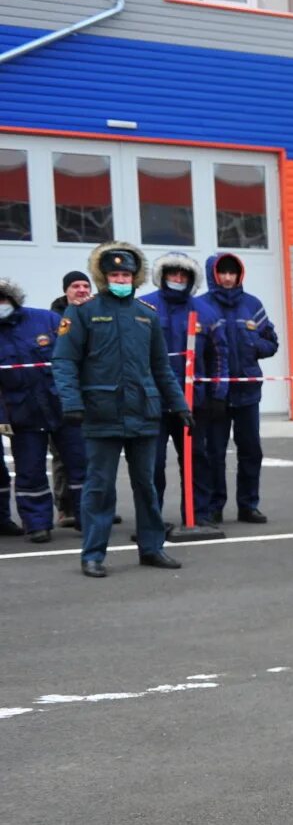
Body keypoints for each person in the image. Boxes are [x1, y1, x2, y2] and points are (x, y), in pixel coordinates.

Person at [51, 243, 190, 577]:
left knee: (147, 484)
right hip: (100, 413)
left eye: (125, 274)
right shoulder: (82, 313)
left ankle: (152, 547)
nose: (120, 279)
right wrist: (71, 402)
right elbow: (64, 361)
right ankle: (93, 554)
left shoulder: (147, 315)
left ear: (135, 277)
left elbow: (161, 368)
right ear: (103, 276)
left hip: (143, 412)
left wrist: (180, 404)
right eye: (114, 274)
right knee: (99, 487)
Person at [143, 253, 227, 529]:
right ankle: (152, 518)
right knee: (152, 464)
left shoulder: (205, 312)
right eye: (172, 274)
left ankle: (197, 514)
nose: (177, 279)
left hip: (193, 403)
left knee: (196, 461)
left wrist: (217, 394)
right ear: (163, 276)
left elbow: (218, 355)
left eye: (183, 275)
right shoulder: (145, 308)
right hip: (152, 402)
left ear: (191, 279)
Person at [196, 252, 279, 524]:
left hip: (248, 393)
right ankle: (214, 506)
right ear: (213, 275)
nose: (228, 278)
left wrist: (255, 347)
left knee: (251, 450)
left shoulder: (252, 305)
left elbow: (271, 342)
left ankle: (248, 504)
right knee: (214, 452)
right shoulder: (200, 306)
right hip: (215, 395)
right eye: (223, 273)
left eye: (233, 273)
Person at [0, 280, 85, 543]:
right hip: (22, 413)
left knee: (82, 464)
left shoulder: (46, 319)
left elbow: (74, 357)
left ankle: (90, 516)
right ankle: (37, 524)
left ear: (13, 299)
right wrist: (2, 417)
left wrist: (79, 399)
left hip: (63, 406)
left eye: (2, 300)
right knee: (30, 470)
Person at [49, 270, 95, 526]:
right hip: (60, 395)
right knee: (62, 455)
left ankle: (90, 506)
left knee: (88, 453)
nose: (81, 290)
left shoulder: (96, 314)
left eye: (85, 285)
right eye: (75, 286)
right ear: (66, 290)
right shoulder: (55, 318)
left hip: (90, 394)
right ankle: (65, 507)